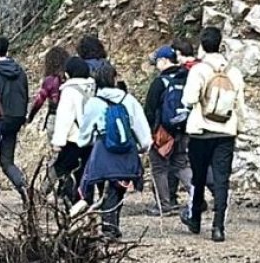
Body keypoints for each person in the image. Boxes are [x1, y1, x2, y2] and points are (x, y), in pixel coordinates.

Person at [181, 26, 246, 242]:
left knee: (198, 177)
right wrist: (239, 127)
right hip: (226, 132)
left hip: (201, 130)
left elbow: (189, 99)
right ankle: (218, 226)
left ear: (202, 45)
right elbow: (240, 105)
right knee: (221, 179)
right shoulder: (233, 72)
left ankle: (195, 219)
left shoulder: (198, 70)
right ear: (220, 44)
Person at [76, 63, 152, 239]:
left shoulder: (94, 103)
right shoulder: (128, 100)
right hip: (127, 149)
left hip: (103, 150)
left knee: (104, 186)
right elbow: (142, 132)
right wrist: (142, 147)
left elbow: (84, 136)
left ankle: (109, 225)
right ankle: (112, 223)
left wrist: (86, 143)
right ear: (114, 79)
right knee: (118, 189)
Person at [143, 45, 193, 216]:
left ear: (164, 61)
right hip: (183, 128)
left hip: (163, 133)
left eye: (157, 61)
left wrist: (150, 131)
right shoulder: (186, 78)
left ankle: (164, 205)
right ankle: (197, 196)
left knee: (159, 167)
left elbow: (149, 109)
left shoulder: (159, 82)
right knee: (181, 164)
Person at [0, 36, 30, 206]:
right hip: (14, 120)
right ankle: (26, 190)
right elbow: (25, 94)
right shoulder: (20, 72)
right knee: (7, 161)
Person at [49, 57, 95, 205]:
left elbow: (64, 118)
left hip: (74, 138)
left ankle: (70, 202)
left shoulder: (69, 91)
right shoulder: (93, 87)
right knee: (86, 173)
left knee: (64, 170)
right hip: (92, 138)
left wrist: (58, 142)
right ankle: (86, 201)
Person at [29, 46, 71, 127]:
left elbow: (39, 100)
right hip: (70, 116)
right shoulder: (70, 76)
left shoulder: (49, 80)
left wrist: (31, 116)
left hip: (54, 116)